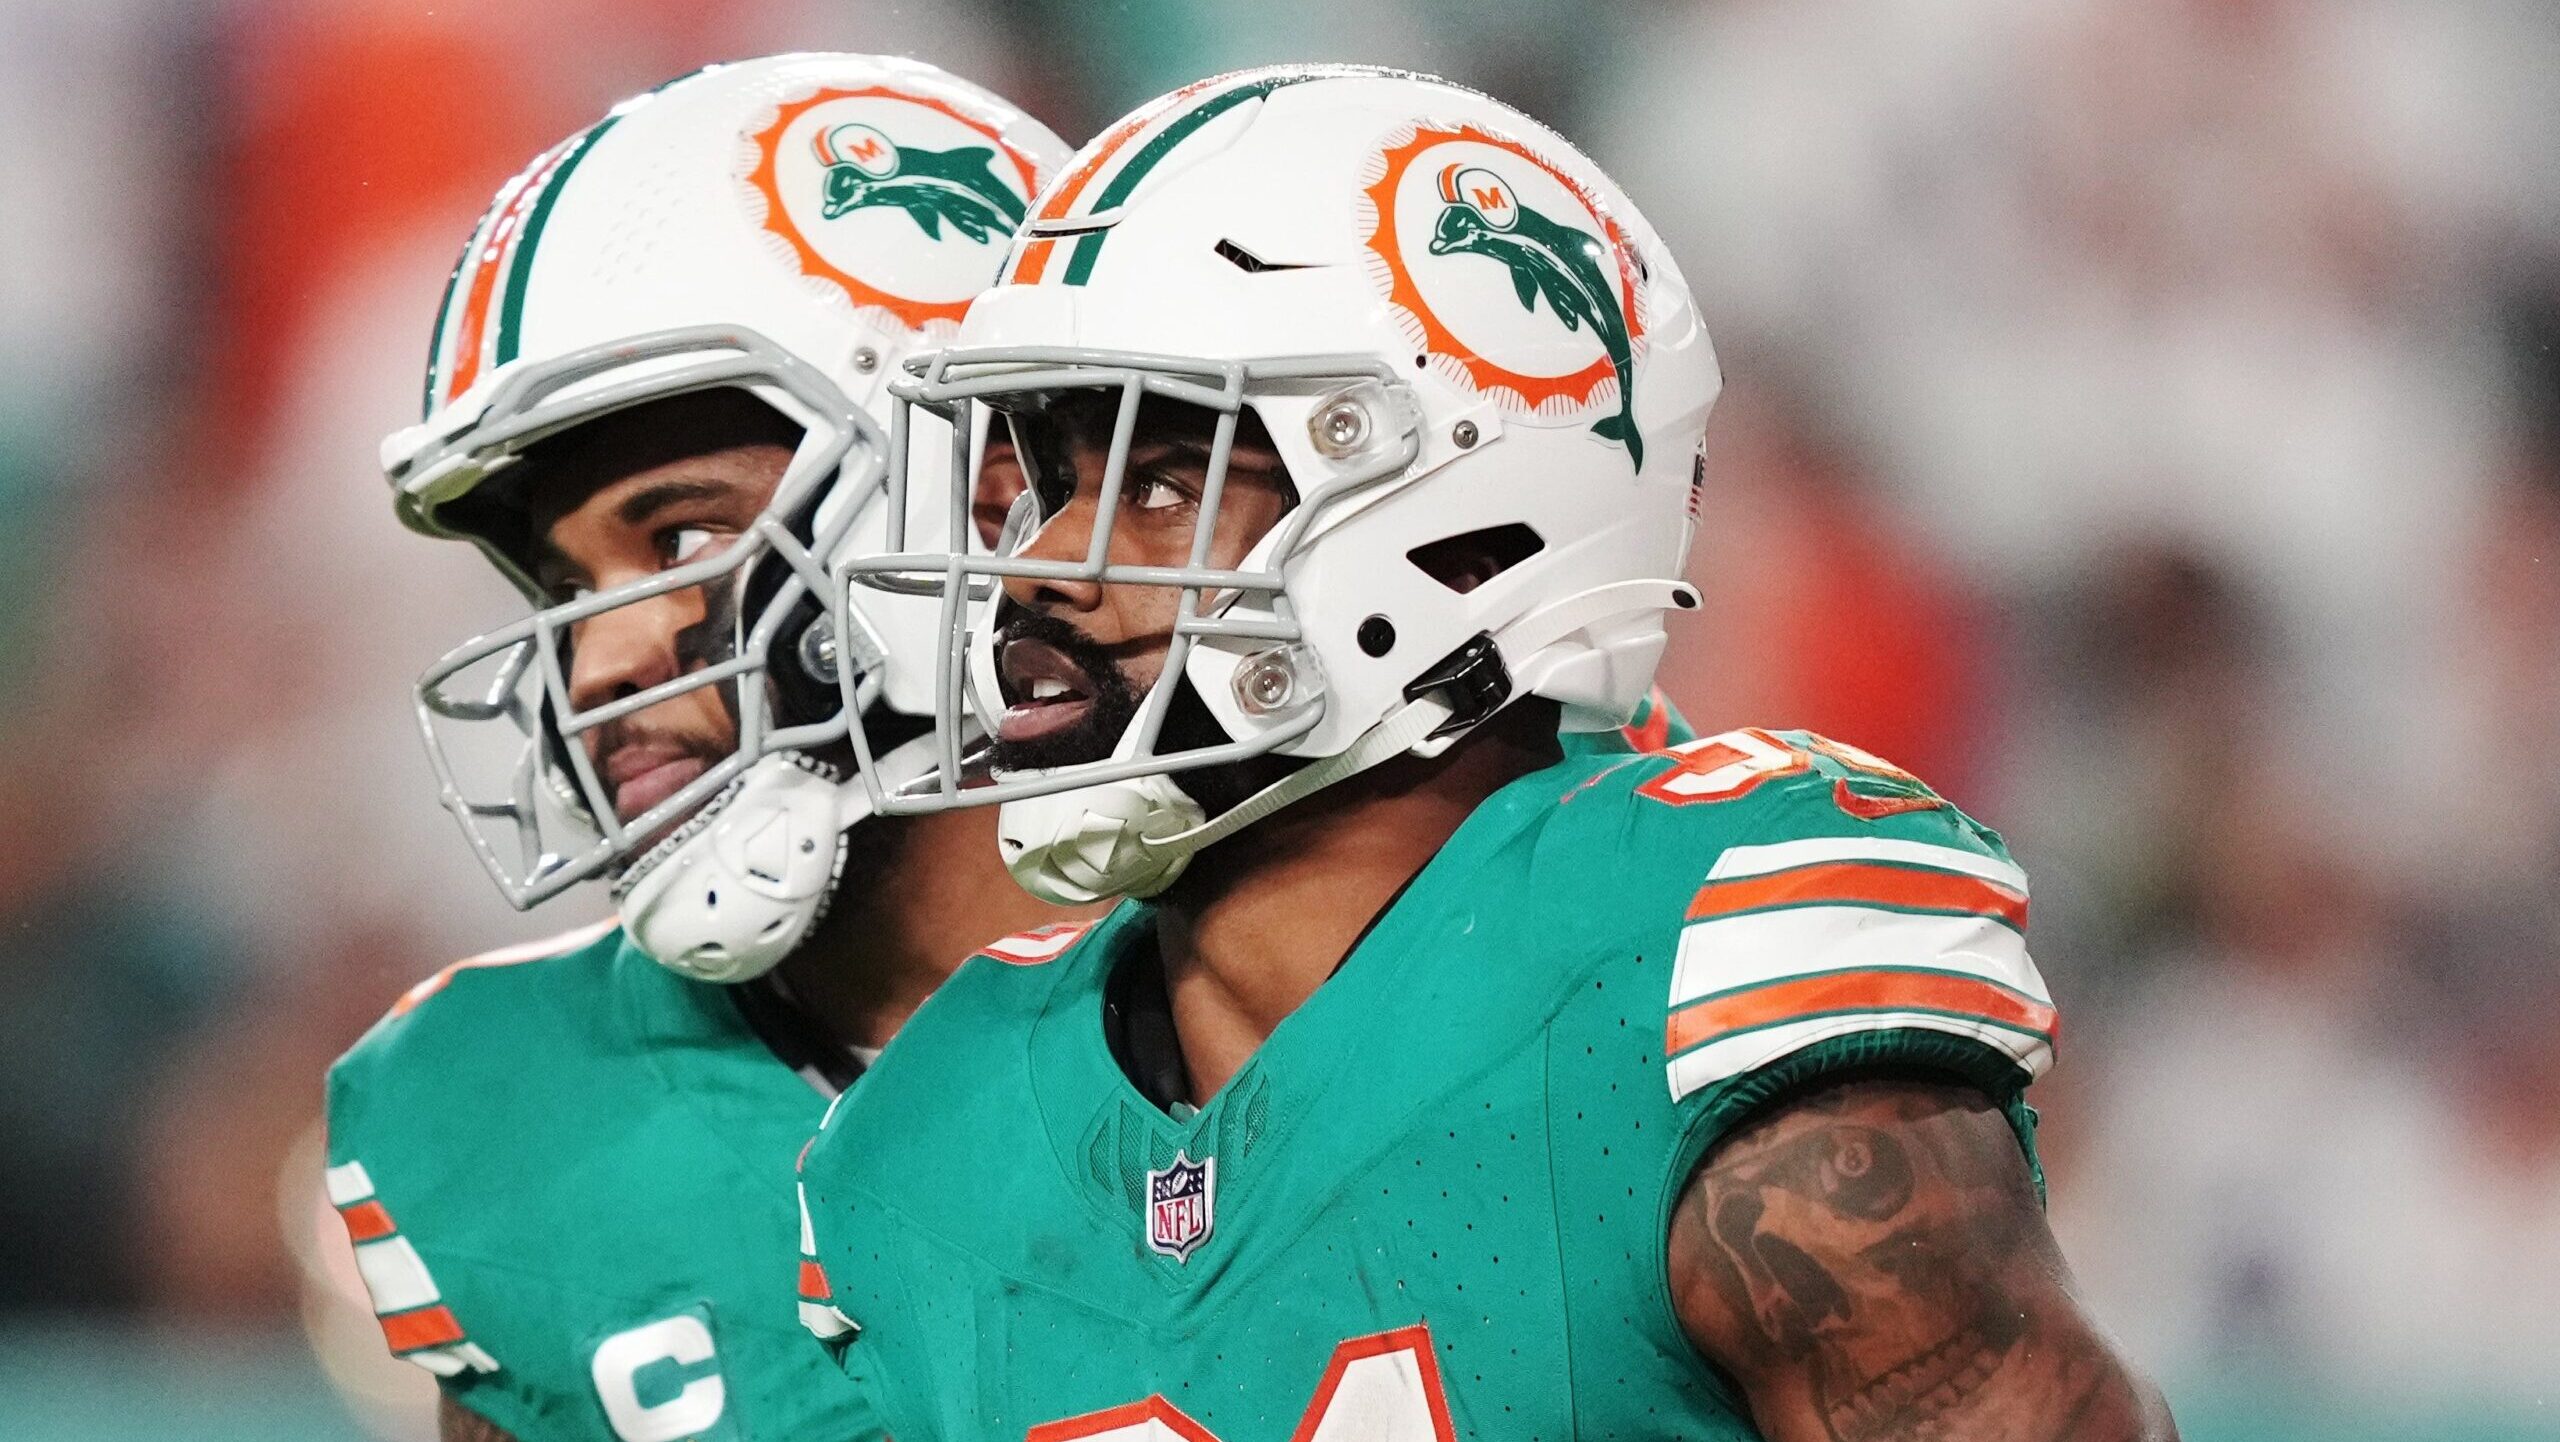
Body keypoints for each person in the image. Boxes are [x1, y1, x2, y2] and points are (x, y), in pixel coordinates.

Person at [797, 65, 2177, 1440]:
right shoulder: (933, 1135)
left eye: (1161, 482)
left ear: (1458, 525)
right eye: (1045, 486)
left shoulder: (1686, 968)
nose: (1042, 569)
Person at [323, 54, 1083, 1442]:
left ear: (981, 498)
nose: (598, 660)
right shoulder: (521, 1120)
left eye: (680, 538)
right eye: (564, 588)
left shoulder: (1338, 969)